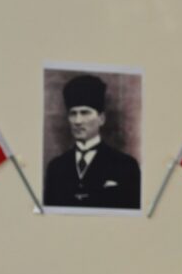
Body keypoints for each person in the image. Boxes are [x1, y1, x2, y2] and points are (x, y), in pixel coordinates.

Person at [43, 74, 140, 209]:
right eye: (73, 113)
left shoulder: (125, 165)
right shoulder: (56, 168)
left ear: (101, 119)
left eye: (85, 113)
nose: (78, 121)